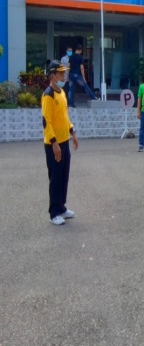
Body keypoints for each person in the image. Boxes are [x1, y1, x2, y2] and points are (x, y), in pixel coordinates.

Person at [42, 60, 79, 225]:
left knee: (64, 176)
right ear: (53, 76)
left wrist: (72, 132)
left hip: (65, 141)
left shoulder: (62, 93)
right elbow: (46, 122)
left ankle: (62, 207)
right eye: (61, 73)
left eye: (64, 72)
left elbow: (65, 117)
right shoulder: (48, 95)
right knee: (55, 177)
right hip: (53, 144)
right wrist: (54, 143)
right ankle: (54, 212)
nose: (64, 75)